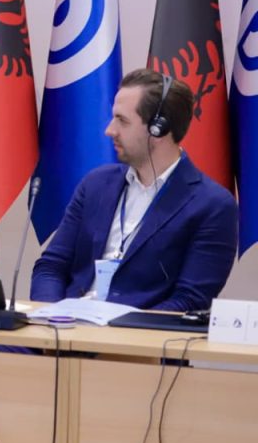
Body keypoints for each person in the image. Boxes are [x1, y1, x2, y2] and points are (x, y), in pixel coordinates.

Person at [31, 68, 237, 310]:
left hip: (137, 332)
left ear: (158, 129)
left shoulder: (212, 205)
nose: (110, 130)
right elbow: (51, 267)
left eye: (122, 121)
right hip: (67, 325)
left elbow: (189, 300)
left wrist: (117, 328)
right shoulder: (96, 184)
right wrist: (53, 317)